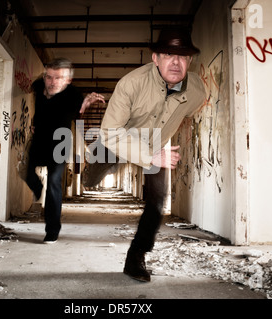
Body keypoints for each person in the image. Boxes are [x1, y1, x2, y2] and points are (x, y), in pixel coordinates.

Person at [82, 27, 206, 282]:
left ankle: (136, 257)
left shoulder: (197, 91)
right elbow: (110, 132)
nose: (176, 62)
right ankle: (92, 171)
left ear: (190, 61)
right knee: (94, 173)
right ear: (155, 58)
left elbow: (186, 113)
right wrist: (146, 156)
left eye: (182, 56)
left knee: (157, 200)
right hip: (119, 138)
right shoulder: (131, 83)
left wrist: (153, 153)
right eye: (168, 55)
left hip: (155, 146)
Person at [26, 58, 105, 244]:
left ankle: (52, 231)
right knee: (29, 174)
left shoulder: (73, 95)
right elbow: (33, 88)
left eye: (58, 78)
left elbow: (78, 110)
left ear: (68, 80)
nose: (52, 82)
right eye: (49, 77)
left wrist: (85, 103)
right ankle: (37, 187)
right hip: (39, 139)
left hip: (59, 142)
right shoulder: (40, 85)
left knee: (54, 182)